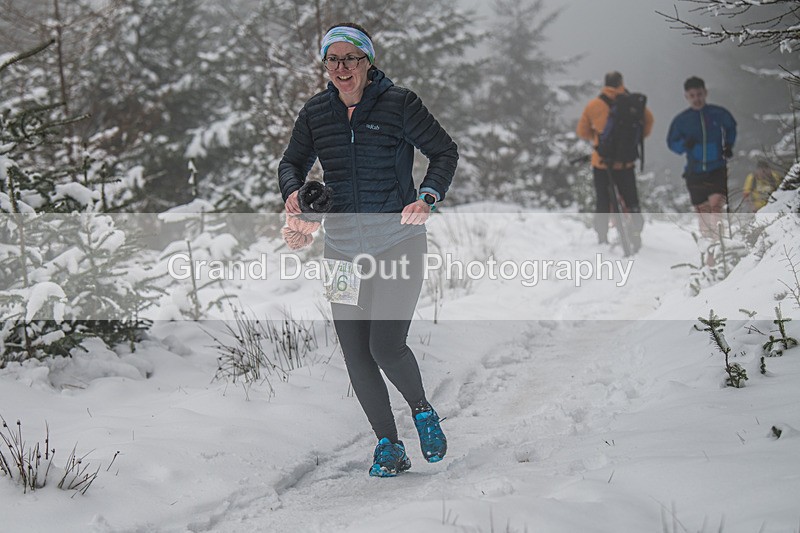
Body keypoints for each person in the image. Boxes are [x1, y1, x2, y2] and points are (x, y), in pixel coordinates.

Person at [278, 23, 457, 478]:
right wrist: (294, 192)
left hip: (398, 242)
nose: (341, 69)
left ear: (367, 62)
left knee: (385, 345)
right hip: (340, 248)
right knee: (356, 353)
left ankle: (422, 412)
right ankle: (388, 446)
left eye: (350, 59)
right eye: (332, 60)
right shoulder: (317, 112)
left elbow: (444, 152)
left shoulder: (400, 103)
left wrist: (428, 195)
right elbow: (291, 162)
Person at [576, 71, 654, 251]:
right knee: (631, 199)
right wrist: (632, 140)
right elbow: (648, 123)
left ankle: (602, 236)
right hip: (626, 163)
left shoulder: (594, 105)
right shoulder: (634, 103)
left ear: (605, 84)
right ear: (621, 83)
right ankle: (635, 232)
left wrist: (598, 138)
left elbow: (582, 131)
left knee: (603, 201)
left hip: (602, 163)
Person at [667, 76, 737, 238]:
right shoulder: (681, 120)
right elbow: (671, 142)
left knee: (716, 207)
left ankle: (721, 245)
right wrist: (685, 144)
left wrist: (728, 145)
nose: (696, 99)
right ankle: (709, 249)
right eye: (692, 96)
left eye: (699, 94)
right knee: (703, 212)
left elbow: (731, 127)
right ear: (686, 97)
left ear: (705, 93)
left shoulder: (717, 113)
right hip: (695, 171)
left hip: (717, 167)